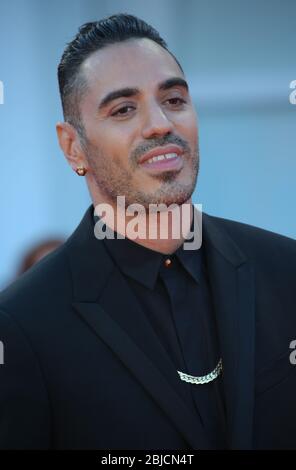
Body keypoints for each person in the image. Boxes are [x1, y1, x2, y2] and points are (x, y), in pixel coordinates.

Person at [0, 13, 295, 450]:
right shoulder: (22, 325)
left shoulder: (286, 271)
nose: (160, 124)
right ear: (72, 146)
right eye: (123, 109)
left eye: (174, 99)